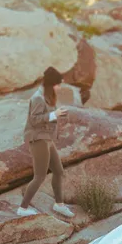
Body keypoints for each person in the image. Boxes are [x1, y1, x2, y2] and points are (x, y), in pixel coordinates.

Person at [17, 67, 75, 218]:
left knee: (58, 171)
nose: (59, 87)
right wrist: (53, 114)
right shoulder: (37, 98)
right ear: (51, 84)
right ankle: (23, 208)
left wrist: (57, 115)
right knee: (40, 176)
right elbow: (34, 120)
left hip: (46, 139)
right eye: (58, 84)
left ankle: (59, 204)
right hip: (38, 139)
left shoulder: (48, 96)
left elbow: (45, 117)